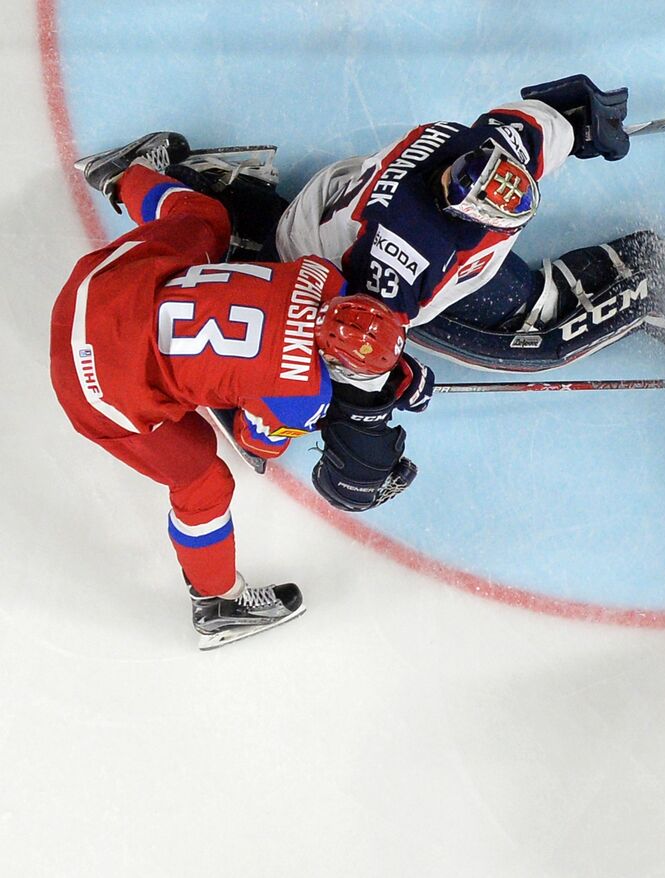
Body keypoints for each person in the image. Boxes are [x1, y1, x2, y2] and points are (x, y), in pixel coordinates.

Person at [55, 134, 421, 649]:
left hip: (97, 291)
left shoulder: (319, 276)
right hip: (94, 382)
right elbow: (253, 440)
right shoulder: (303, 394)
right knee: (203, 481)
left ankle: (122, 176)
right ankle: (217, 602)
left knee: (206, 220)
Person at [162, 75, 665, 376]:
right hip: (319, 255)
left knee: (518, 293)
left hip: (335, 201)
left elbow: (537, 123)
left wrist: (582, 125)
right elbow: (359, 333)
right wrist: (365, 413)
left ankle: (207, 195)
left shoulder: (483, 148)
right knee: (530, 310)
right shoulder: (406, 257)